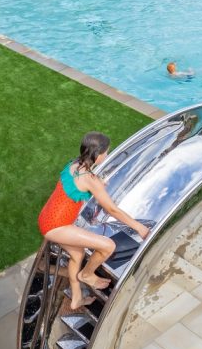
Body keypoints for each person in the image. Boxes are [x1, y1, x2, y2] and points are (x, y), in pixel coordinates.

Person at [38, 132, 149, 310]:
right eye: (106, 153)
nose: (107, 156)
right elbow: (111, 209)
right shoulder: (90, 180)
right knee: (108, 246)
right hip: (57, 226)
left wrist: (97, 183)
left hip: (47, 217)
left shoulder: (75, 164)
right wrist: (139, 227)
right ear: (98, 155)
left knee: (78, 254)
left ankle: (76, 298)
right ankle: (87, 275)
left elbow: (83, 183)